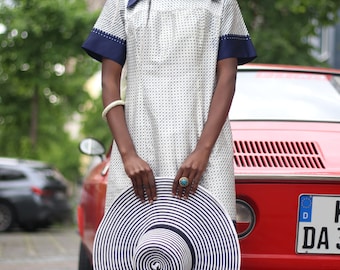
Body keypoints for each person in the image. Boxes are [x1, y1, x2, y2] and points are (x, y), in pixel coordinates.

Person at [83, 0, 256, 225]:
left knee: (212, 246)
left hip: (207, 152)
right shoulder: (122, 4)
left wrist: (202, 152)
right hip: (139, 151)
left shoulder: (222, 3)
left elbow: (228, 77)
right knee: (134, 246)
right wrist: (128, 155)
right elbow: (109, 81)